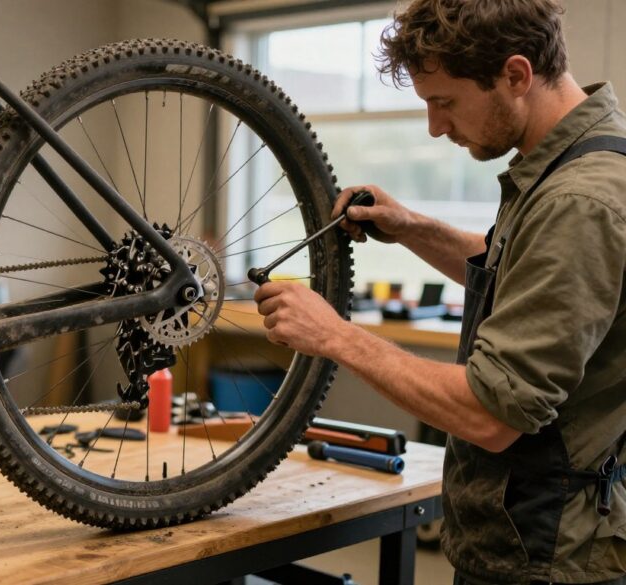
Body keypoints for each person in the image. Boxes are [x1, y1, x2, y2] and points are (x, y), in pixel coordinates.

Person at [254, 0, 626, 583]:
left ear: (516, 75)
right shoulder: (563, 167)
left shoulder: (579, 202)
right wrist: (412, 229)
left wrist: (335, 336)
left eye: (444, 102)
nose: (434, 126)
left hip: (549, 556)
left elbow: (491, 412)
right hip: (522, 538)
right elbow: (515, 272)